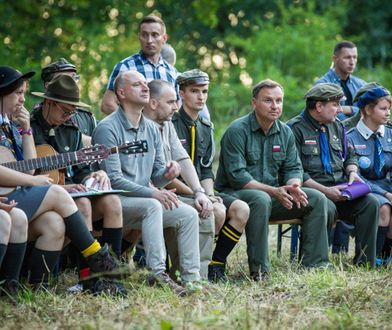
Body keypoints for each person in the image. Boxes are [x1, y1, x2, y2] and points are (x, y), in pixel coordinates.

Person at [0, 65, 127, 294]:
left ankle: (36, 288)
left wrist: (26, 130)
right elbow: (29, 177)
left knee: (54, 223)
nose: (22, 99)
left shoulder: (11, 126)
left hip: (15, 195)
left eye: (24, 93)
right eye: (18, 93)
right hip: (11, 196)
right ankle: (98, 258)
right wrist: (34, 182)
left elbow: (29, 169)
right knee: (58, 192)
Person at [92, 70, 201, 296]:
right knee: (152, 206)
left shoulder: (151, 128)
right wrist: (153, 194)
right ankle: (158, 273)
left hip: (143, 199)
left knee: (187, 214)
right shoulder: (107, 128)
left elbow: (156, 175)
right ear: (121, 93)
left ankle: (192, 281)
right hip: (115, 201)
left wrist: (168, 174)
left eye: (145, 84)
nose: (145, 88)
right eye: (137, 85)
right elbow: (113, 180)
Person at [215, 79, 330, 280]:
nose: (275, 106)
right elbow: (237, 177)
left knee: (316, 198)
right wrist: (273, 191)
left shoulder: (285, 131)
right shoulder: (237, 130)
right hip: (236, 195)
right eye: (268, 100)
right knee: (260, 199)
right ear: (254, 103)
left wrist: (294, 186)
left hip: (275, 195)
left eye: (279, 100)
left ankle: (315, 265)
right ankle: (260, 271)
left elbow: (294, 167)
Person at [30, 74, 124, 289]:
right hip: (46, 195)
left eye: (72, 112)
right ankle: (87, 279)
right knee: (81, 204)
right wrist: (63, 187)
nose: (68, 117)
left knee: (113, 202)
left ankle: (112, 275)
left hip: (72, 190)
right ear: (49, 103)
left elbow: (80, 169)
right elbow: (25, 173)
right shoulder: (28, 128)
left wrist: (93, 175)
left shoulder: (71, 130)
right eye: (65, 111)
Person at [288, 83, 379, 267]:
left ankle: (365, 262)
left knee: (371, 204)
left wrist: (352, 172)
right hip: (313, 191)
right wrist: (325, 191)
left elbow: (350, 155)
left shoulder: (336, 126)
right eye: (335, 105)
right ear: (319, 106)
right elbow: (294, 170)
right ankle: (315, 263)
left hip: (341, 189)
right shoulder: (294, 128)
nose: (339, 110)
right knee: (325, 206)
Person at [171, 70, 250, 282]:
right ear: (181, 93)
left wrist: (209, 193)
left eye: (204, 91)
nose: (201, 97)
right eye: (194, 91)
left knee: (240, 209)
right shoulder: (171, 124)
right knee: (214, 211)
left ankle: (215, 265)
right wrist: (199, 194)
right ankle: (189, 268)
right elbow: (166, 173)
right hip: (175, 189)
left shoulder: (206, 126)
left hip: (199, 191)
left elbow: (206, 169)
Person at [143, 79, 215, 280]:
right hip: (147, 195)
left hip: (166, 192)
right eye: (172, 102)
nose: (176, 107)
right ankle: (175, 275)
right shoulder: (142, 127)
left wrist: (199, 192)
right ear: (153, 103)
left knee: (206, 210)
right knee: (187, 211)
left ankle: (196, 278)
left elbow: (182, 158)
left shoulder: (166, 125)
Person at [346, 86, 392, 265]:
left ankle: (386, 254)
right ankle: (375, 256)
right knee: (384, 208)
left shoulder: (390, 134)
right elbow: (355, 176)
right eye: (383, 108)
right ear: (367, 109)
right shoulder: (350, 137)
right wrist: (386, 194)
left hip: (386, 185)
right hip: (363, 188)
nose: (388, 113)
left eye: (389, 109)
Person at [101, 15, 178, 115]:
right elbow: (107, 104)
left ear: (164, 38)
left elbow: (176, 107)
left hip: (167, 129)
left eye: (155, 35)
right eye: (145, 35)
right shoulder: (125, 67)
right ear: (139, 37)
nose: (149, 40)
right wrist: (134, 125)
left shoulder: (172, 72)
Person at [40, 58, 97, 146]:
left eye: (74, 78)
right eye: (65, 79)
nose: (73, 83)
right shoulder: (38, 118)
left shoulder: (86, 118)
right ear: (48, 86)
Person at [315, 41, 366, 121]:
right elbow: (325, 114)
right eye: (347, 57)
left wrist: (349, 109)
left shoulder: (361, 85)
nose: (352, 62)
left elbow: (370, 111)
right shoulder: (323, 85)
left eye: (355, 57)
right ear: (335, 59)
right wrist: (356, 111)